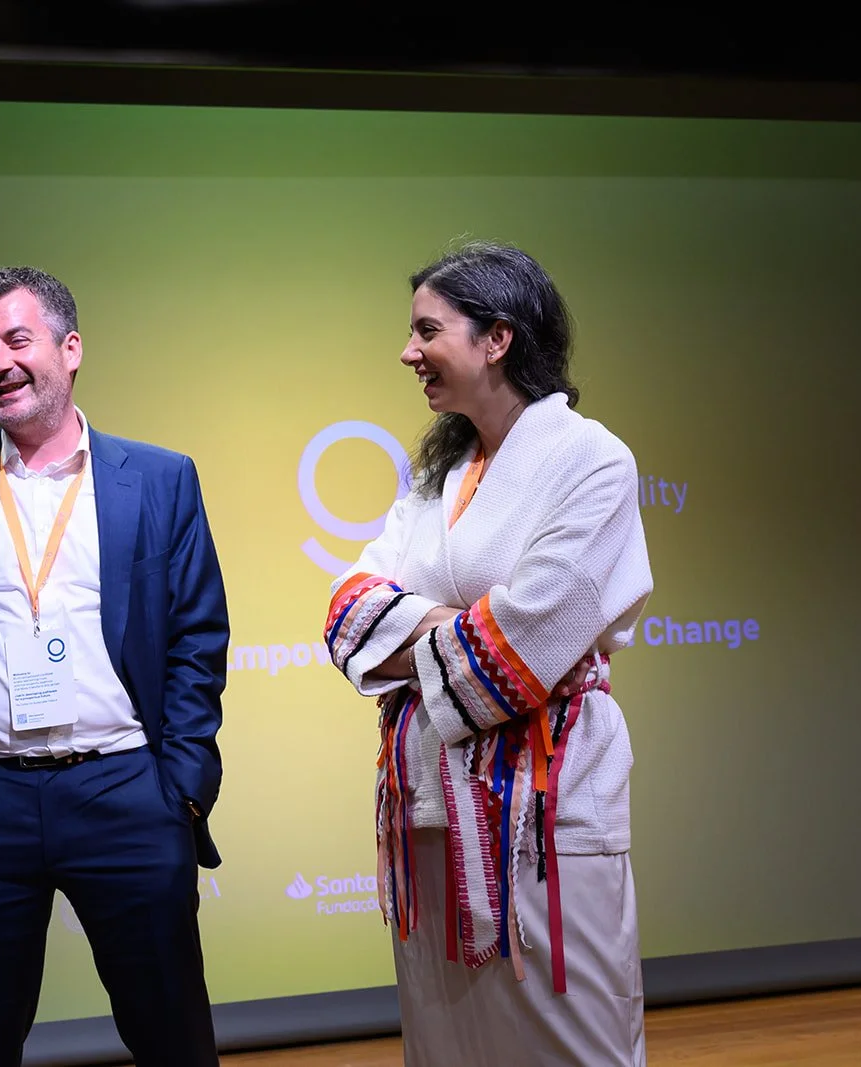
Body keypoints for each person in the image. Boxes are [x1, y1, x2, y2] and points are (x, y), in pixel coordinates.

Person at [0, 265, 227, 1066]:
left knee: (174, 1038)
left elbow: (198, 636)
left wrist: (182, 790)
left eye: (16, 340)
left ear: (70, 348)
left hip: (124, 792)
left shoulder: (160, 478)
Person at [323, 242, 652, 1065]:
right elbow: (346, 611)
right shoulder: (437, 475)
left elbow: (515, 651)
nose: (408, 352)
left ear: (496, 337)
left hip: (546, 820)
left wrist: (423, 625)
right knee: (446, 1049)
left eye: (427, 330)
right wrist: (466, 620)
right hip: (427, 817)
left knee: (571, 1044)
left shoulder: (592, 462)